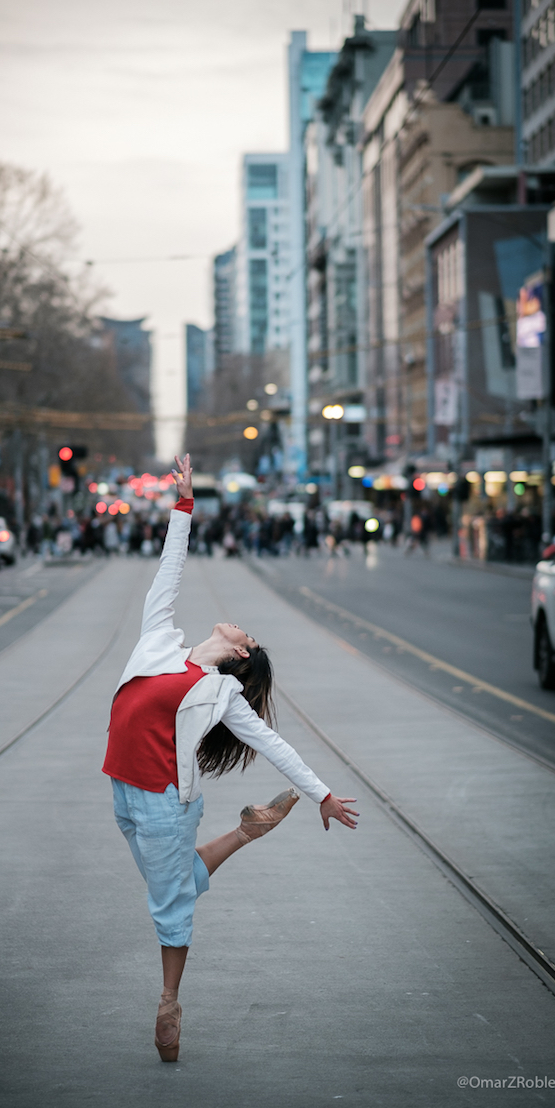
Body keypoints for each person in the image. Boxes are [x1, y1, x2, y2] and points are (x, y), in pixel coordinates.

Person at [102, 454, 359, 1063]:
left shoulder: (221, 695)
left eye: (248, 638)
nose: (243, 628)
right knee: (177, 884)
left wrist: (321, 792)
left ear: (238, 658)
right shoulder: (160, 638)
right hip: (122, 791)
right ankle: (246, 833)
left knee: (170, 902)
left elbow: (273, 742)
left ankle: (169, 1003)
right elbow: (169, 571)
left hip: (166, 803)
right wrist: (184, 506)